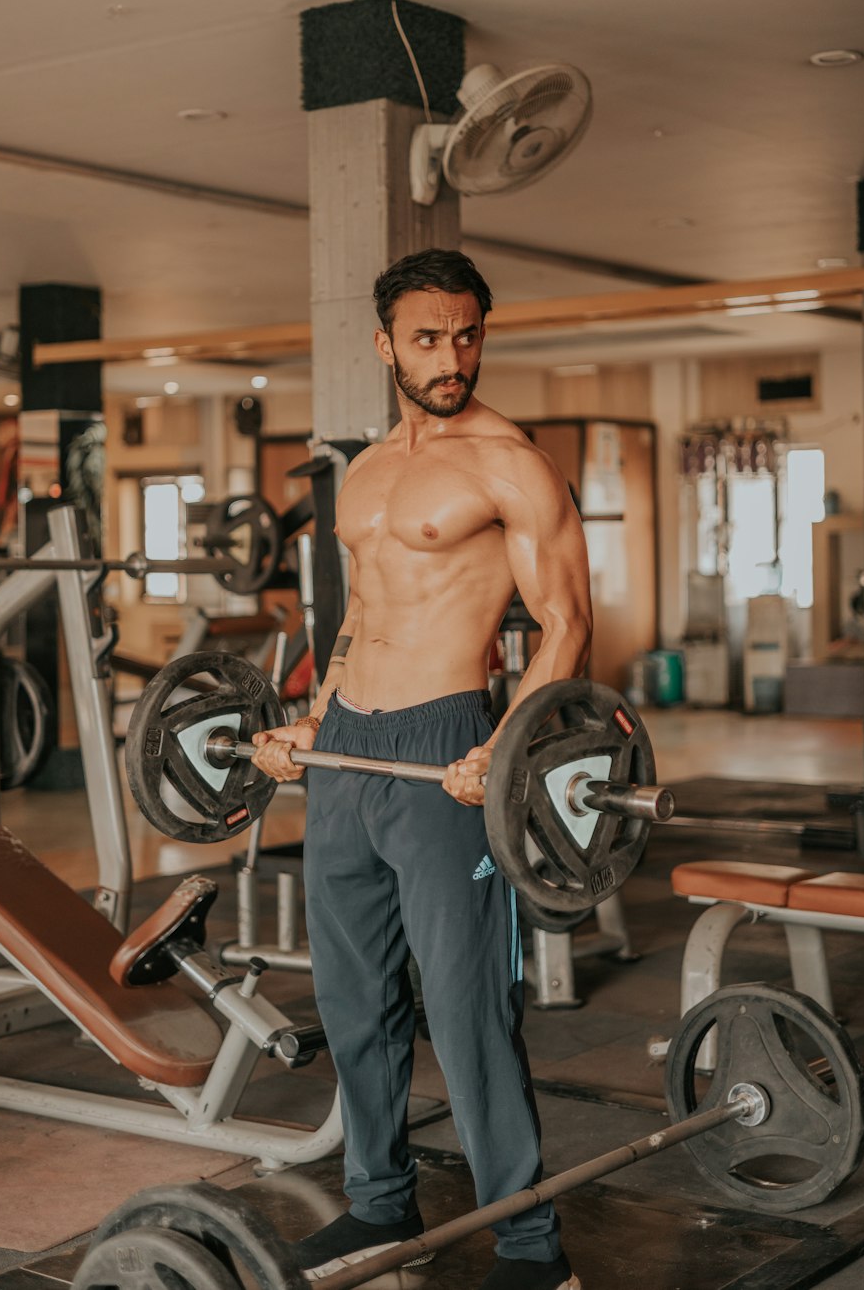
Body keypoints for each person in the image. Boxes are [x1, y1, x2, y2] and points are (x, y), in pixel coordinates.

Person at [253, 247, 592, 1290]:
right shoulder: (363, 472)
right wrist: (312, 716)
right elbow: (358, 613)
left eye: (467, 333)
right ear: (385, 343)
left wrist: (507, 742)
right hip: (351, 750)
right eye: (429, 337)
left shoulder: (510, 463)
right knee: (354, 997)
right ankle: (377, 1204)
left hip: (450, 742)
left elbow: (567, 618)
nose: (452, 356)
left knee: (466, 1005)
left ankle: (530, 1247)